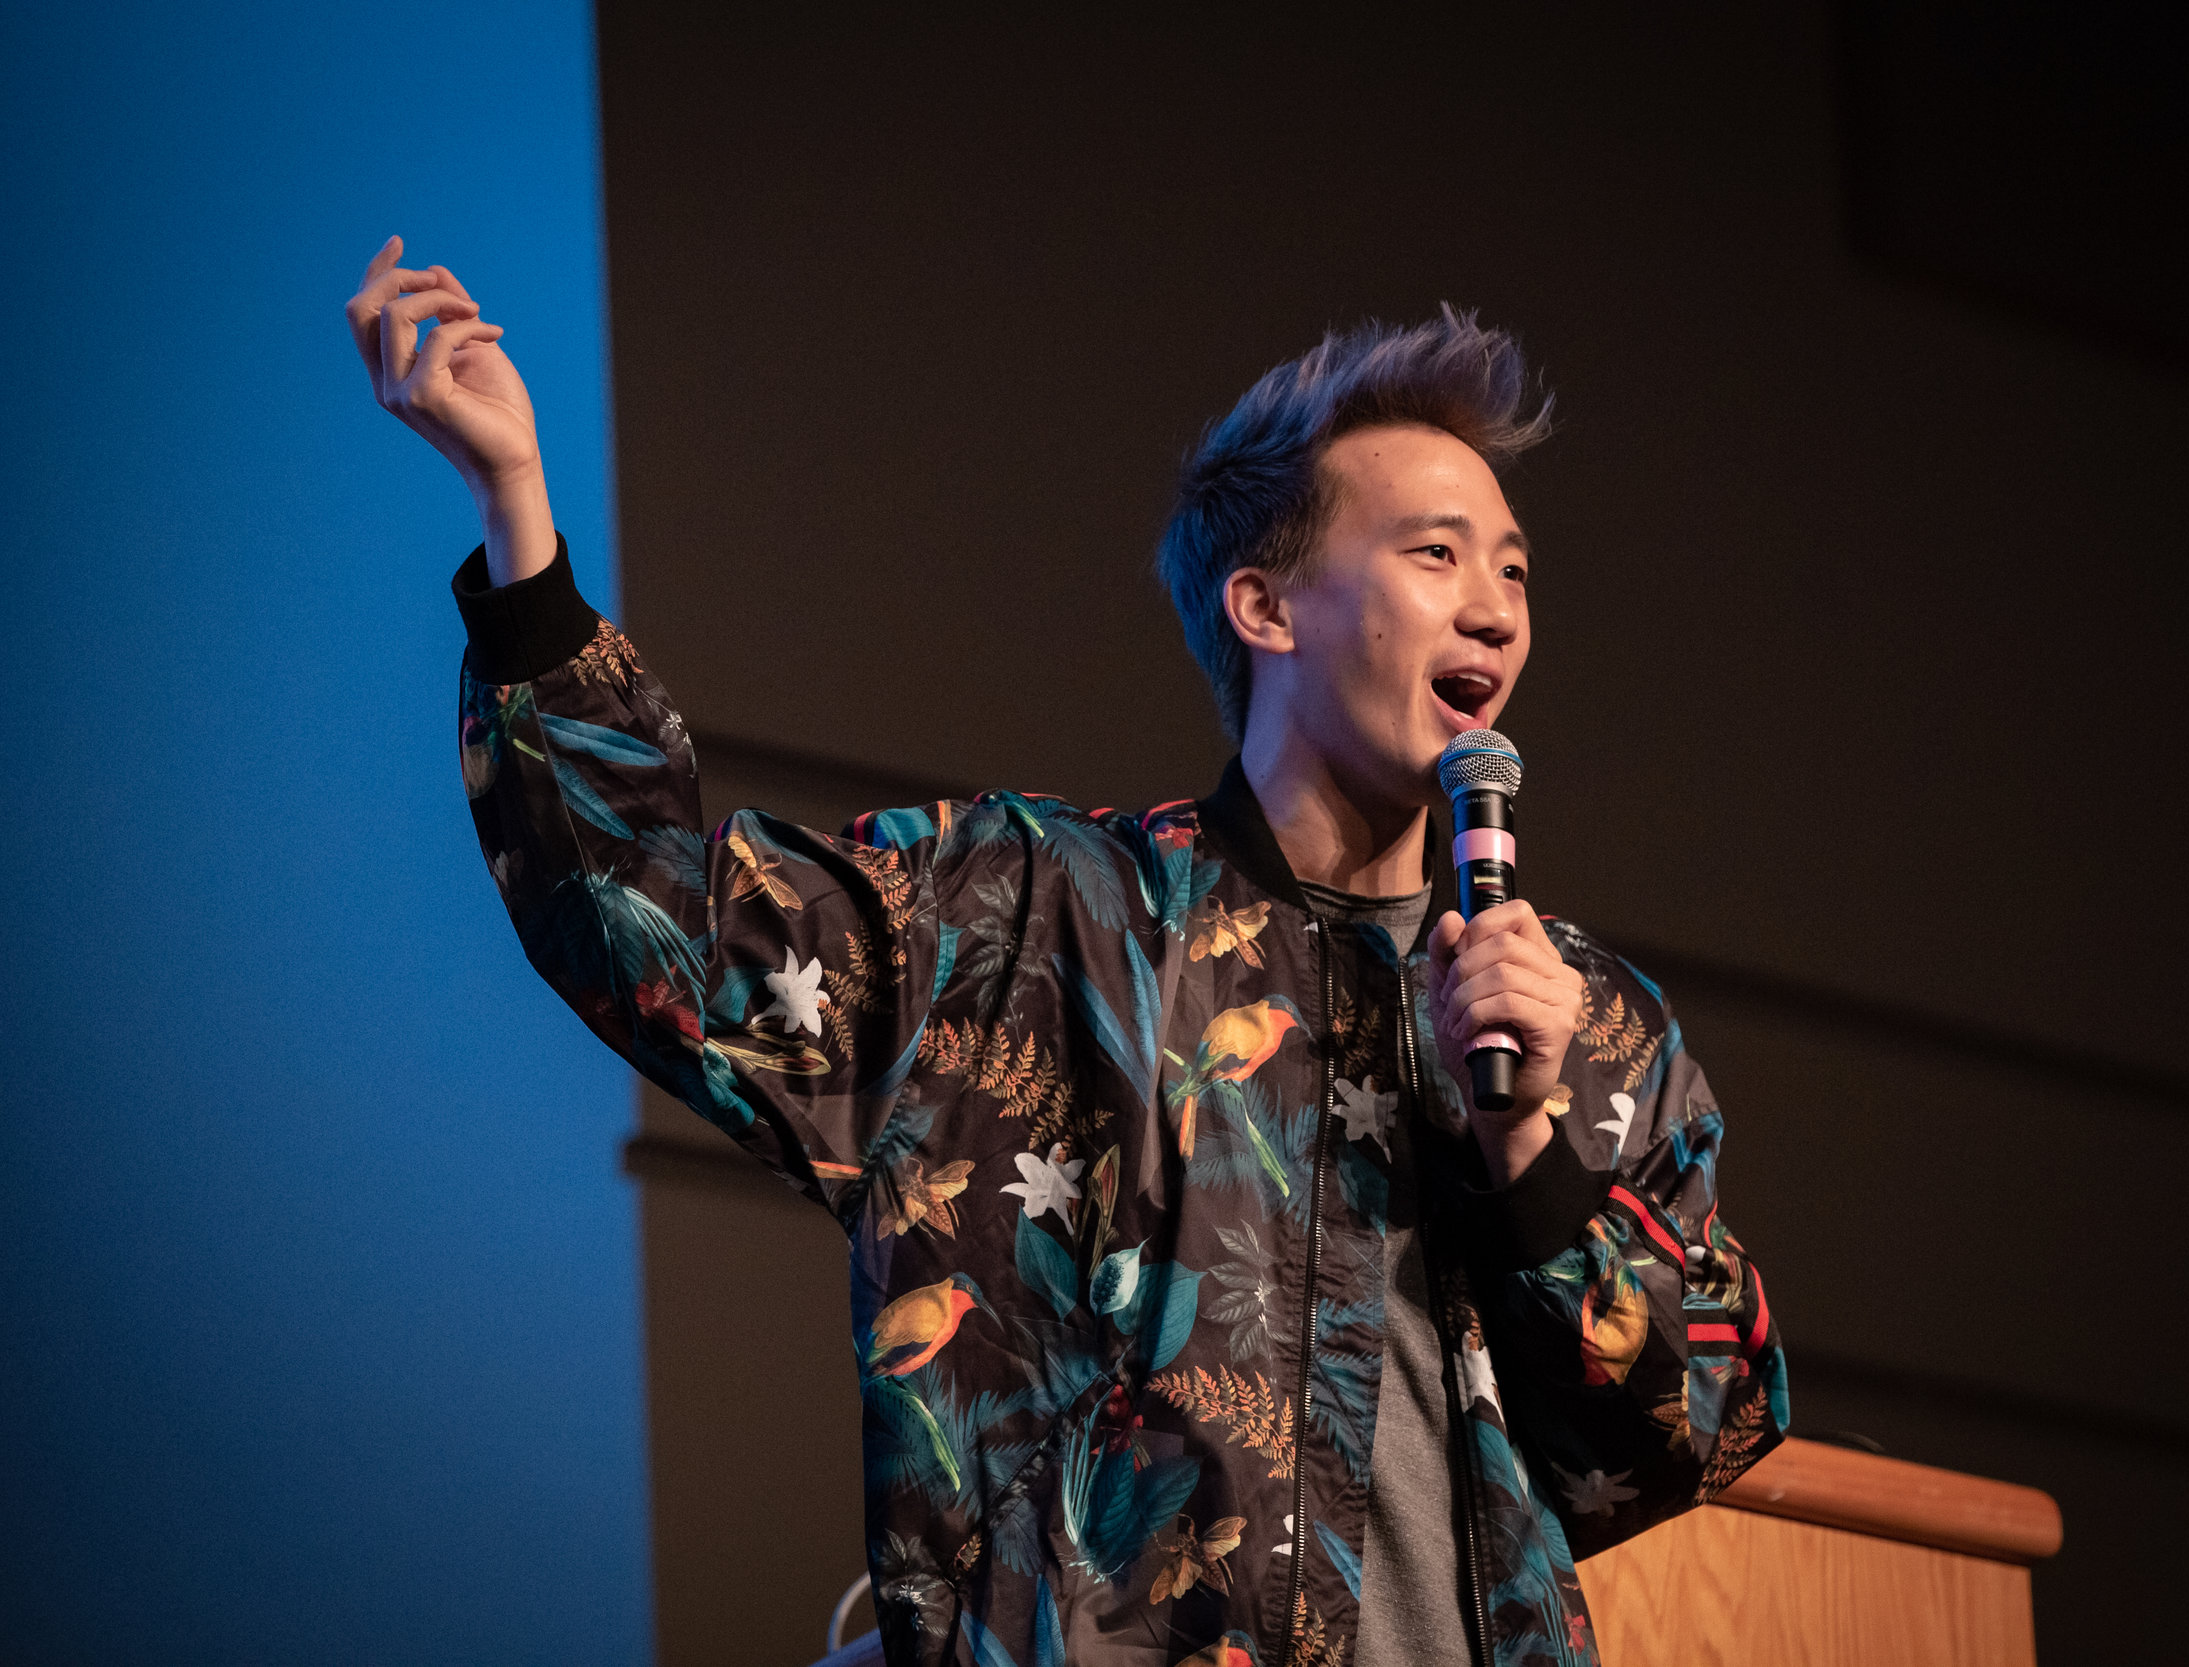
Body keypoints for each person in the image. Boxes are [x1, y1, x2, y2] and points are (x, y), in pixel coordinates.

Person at [348, 236, 1785, 1667]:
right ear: (1265, 607)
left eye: (1515, 570)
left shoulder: (1586, 1027)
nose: (1496, 605)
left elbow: (1698, 1433)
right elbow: (650, 912)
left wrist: (1529, 1150)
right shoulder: (1033, 921)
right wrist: (517, 511)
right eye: (1435, 553)